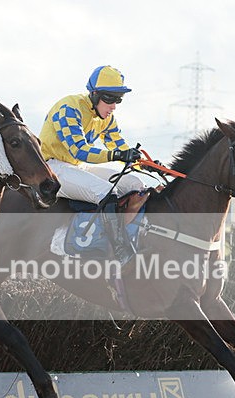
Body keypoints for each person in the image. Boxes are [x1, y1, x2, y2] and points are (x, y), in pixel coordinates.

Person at [39, 65, 149, 262]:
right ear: (95, 94)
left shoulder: (107, 118)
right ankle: (119, 249)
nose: (114, 105)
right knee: (107, 192)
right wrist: (117, 155)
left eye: (118, 99)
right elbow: (79, 150)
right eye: (110, 98)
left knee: (135, 184)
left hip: (77, 166)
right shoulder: (69, 108)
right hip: (52, 168)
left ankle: (133, 235)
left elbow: (119, 146)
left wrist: (144, 163)